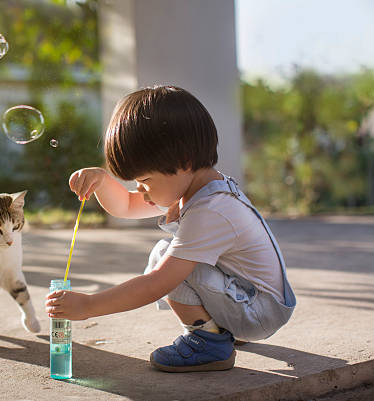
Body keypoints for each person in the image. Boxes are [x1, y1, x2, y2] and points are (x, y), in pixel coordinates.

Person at [45, 85, 296, 373]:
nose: (140, 190)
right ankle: (219, 329)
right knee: (171, 256)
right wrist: (103, 181)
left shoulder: (211, 210)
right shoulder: (192, 186)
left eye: (145, 180)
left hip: (259, 313)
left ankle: (210, 343)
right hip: (252, 300)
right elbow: (126, 205)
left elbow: (157, 283)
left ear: (184, 162)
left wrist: (88, 306)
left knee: (167, 258)